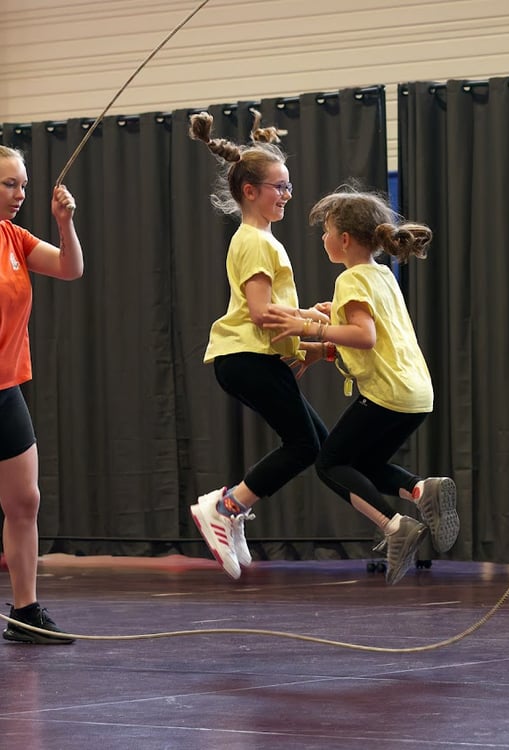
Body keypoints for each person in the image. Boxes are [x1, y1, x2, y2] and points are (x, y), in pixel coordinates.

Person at [264, 187, 459, 584]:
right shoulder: (381, 274)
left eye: (326, 231)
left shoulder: (351, 279)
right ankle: (422, 490)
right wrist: (324, 350)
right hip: (417, 394)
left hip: (388, 394)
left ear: (345, 240)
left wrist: (307, 327)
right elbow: (378, 338)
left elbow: (365, 335)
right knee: (365, 465)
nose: (323, 238)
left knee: (330, 463)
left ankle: (395, 527)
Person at [187, 111, 328, 580]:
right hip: (243, 357)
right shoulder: (254, 242)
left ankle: (234, 508)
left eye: (288, 186)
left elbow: (272, 314)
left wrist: (302, 342)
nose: (287, 195)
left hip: (252, 357)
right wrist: (314, 321)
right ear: (250, 191)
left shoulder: (262, 239)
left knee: (317, 443)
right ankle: (225, 507)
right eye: (279, 187)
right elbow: (263, 312)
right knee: (304, 443)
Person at [0, 146, 83, 644]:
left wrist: (64, 223)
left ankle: (25, 611)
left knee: (24, 500)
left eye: (23, 186)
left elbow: (70, 268)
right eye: (9, 184)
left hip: (6, 389)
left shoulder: (13, 237)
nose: (19, 194)